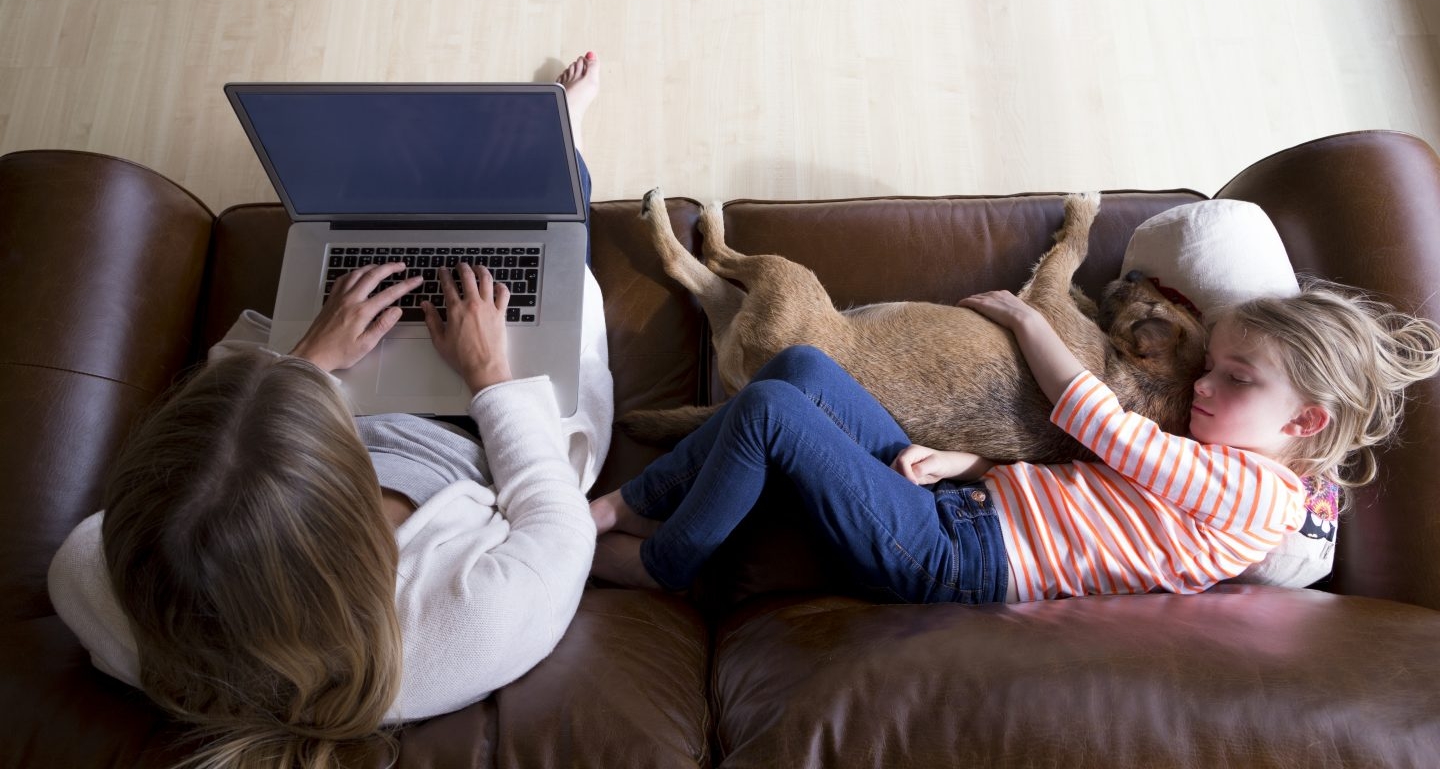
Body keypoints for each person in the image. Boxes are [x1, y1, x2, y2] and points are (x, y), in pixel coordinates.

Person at [47, 53, 611, 769]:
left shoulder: (98, 585)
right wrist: (491, 376)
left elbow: (135, 524)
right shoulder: (457, 631)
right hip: (479, 435)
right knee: (545, 241)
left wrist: (308, 361)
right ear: (343, 538)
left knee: (360, 243)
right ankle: (562, 139)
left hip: (348, 397)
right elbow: (558, 522)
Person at [590, 279, 1440, 604]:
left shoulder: (1262, 494)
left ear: (1305, 423)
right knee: (803, 369)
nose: (1202, 388)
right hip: (963, 503)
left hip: (955, 558)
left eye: (1236, 379)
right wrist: (979, 462)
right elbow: (1088, 492)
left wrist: (1032, 320)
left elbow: (1101, 426)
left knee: (772, 417)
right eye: (1209, 367)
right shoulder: (1215, 466)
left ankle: (662, 559)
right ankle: (624, 507)